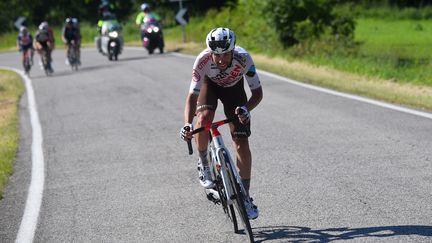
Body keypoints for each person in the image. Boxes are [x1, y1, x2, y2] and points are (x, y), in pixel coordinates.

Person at [180, 27, 263, 220]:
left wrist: (245, 109)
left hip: (235, 90)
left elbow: (257, 93)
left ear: (233, 50)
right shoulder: (202, 60)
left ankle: (245, 196)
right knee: (204, 118)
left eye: (225, 55)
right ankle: (204, 162)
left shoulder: (244, 59)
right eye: (215, 55)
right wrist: (187, 124)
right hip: (210, 86)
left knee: (241, 142)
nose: (220, 60)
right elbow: (191, 97)